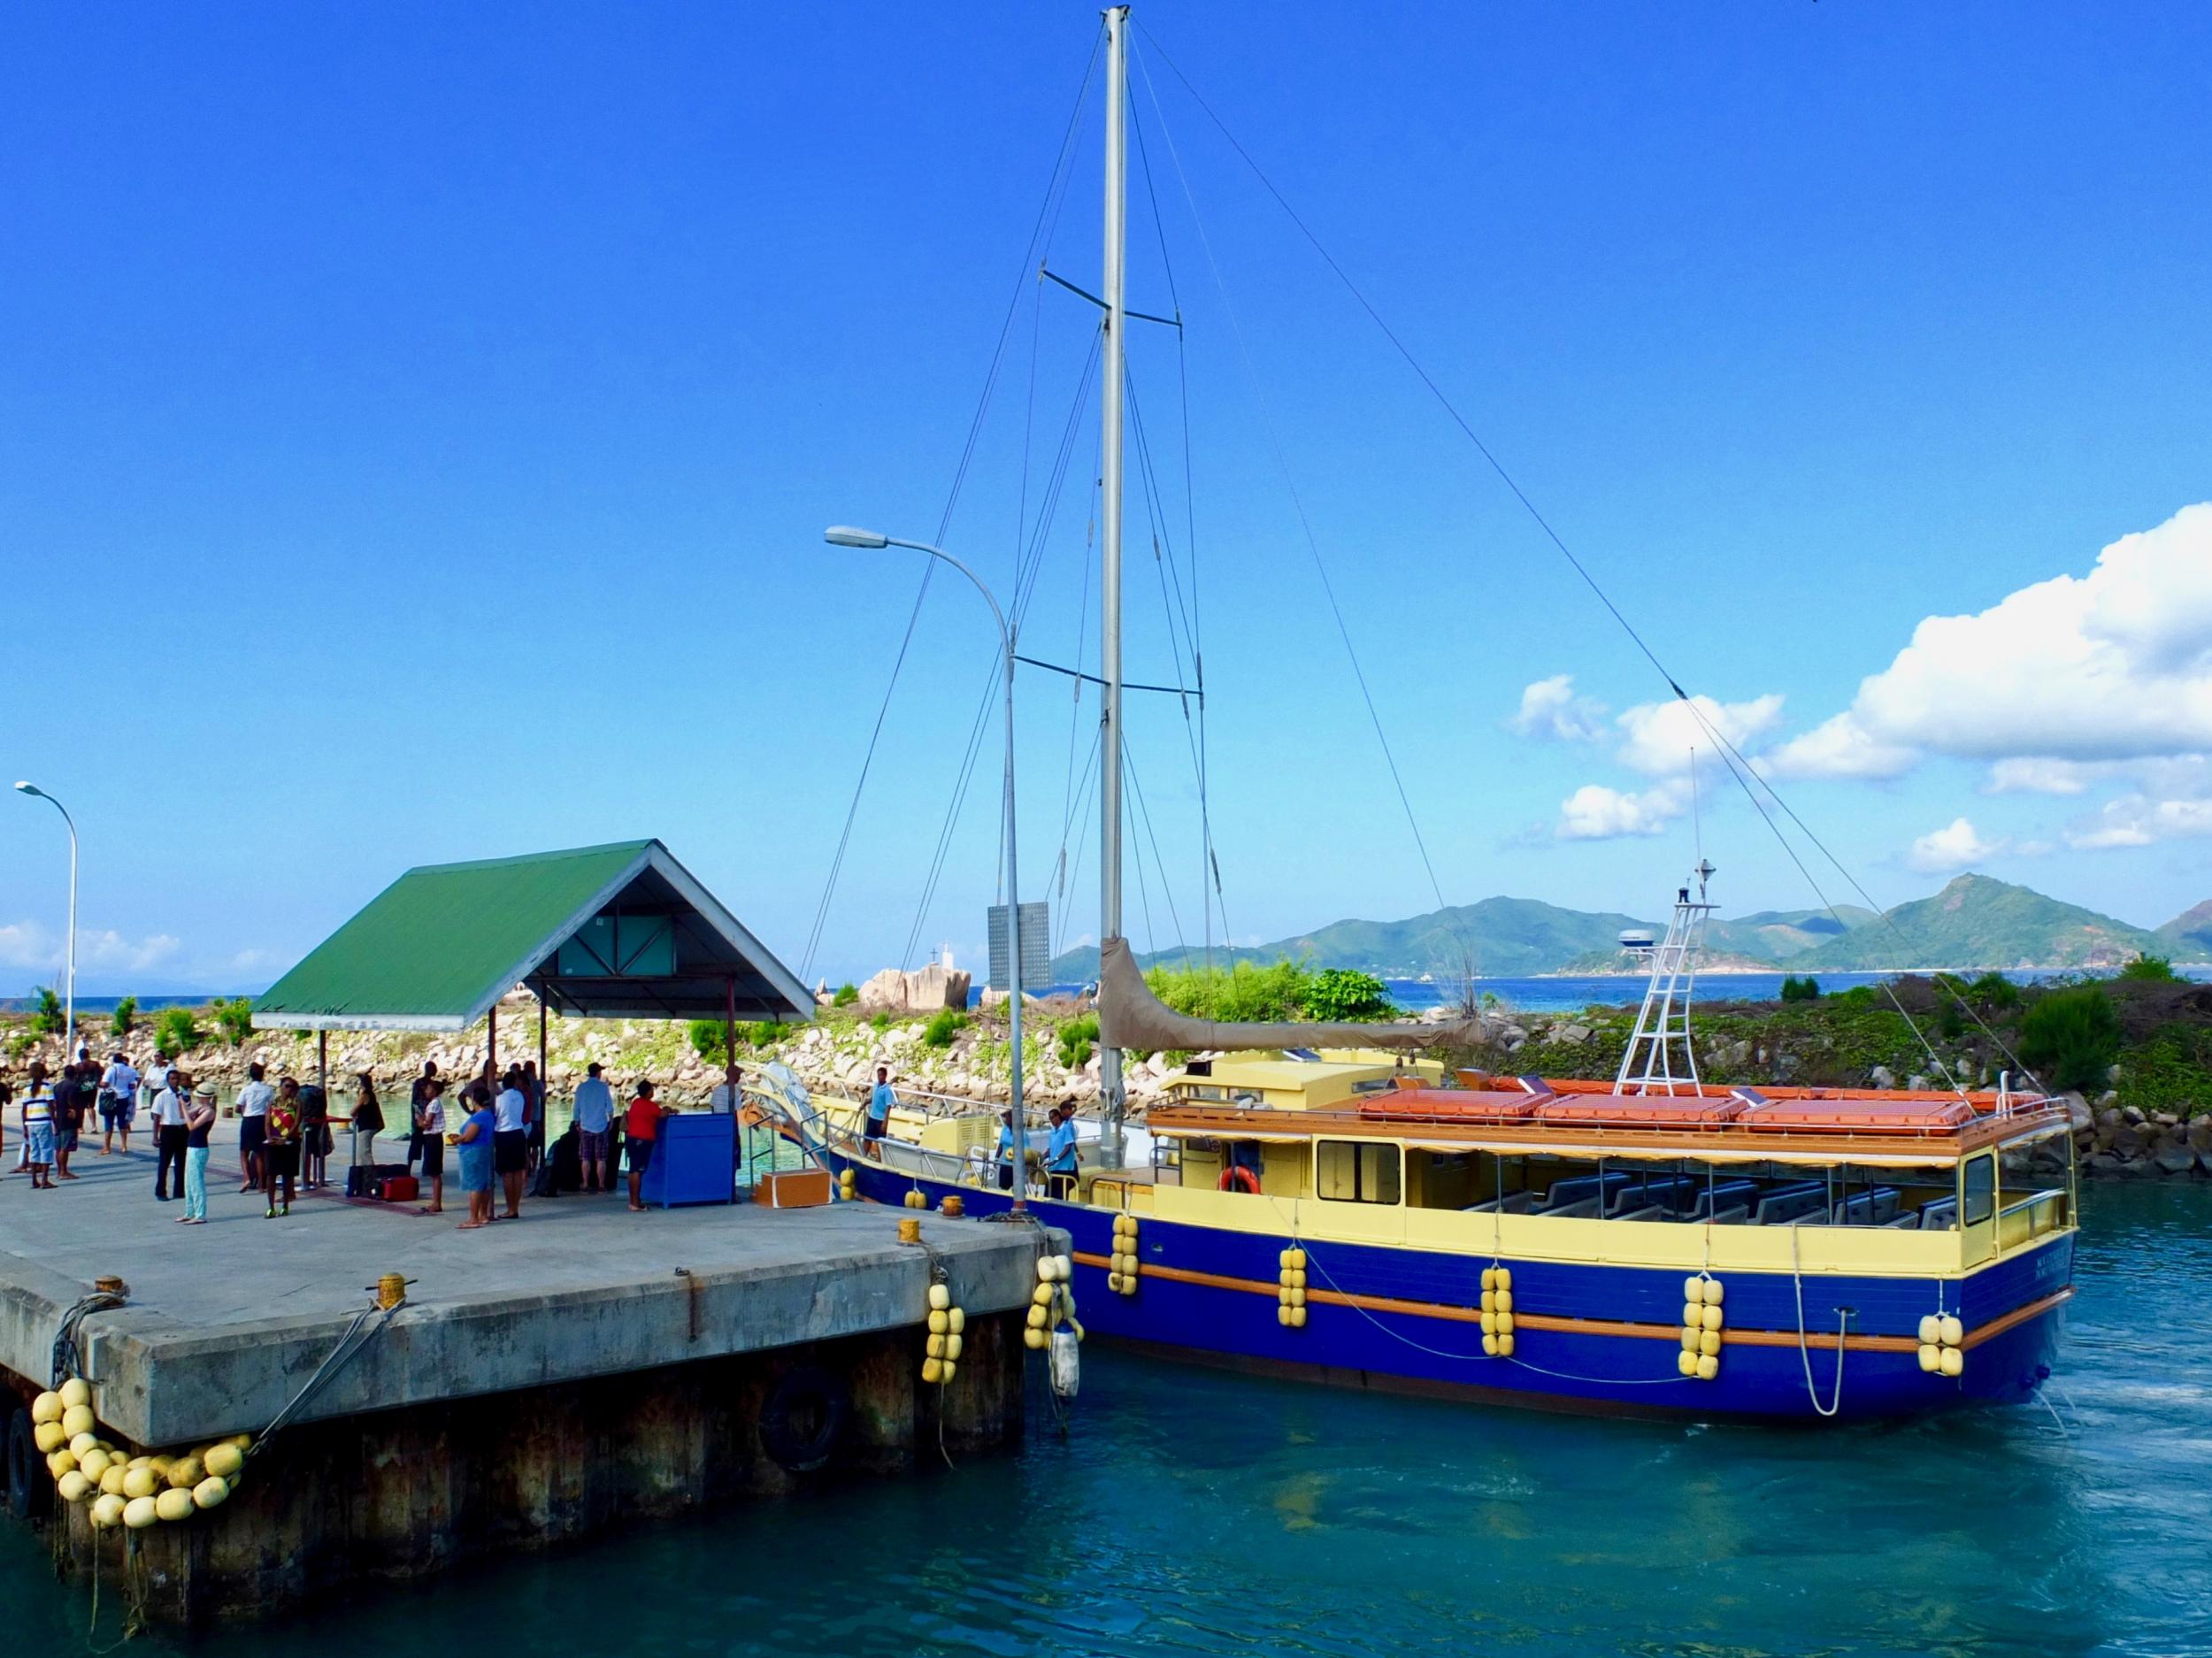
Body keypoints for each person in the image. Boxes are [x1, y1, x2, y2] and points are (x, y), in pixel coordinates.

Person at [455, 1081, 496, 1230]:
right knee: (483, 1183)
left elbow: (468, 1137)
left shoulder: (479, 1117)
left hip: (473, 1152)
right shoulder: (489, 1115)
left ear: (475, 1100)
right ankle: (483, 1215)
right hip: (483, 1150)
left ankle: (473, 1218)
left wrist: (457, 1139)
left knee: (475, 1185)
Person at [494, 1065, 530, 1220]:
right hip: (518, 1133)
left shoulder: (500, 1099)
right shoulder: (520, 1096)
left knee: (507, 1175)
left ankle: (510, 1208)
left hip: (504, 1134)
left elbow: (495, 1115)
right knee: (516, 1173)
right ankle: (515, 1207)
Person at [572, 1062, 614, 1194]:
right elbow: (610, 1107)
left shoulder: (581, 1088)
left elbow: (576, 1107)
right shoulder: (603, 1087)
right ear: (598, 1073)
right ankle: (601, 1185)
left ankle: (585, 1183)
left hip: (585, 1126)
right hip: (601, 1126)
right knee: (600, 1158)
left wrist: (576, 1122)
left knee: (585, 1157)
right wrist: (611, 1120)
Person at [264, 1077, 303, 1217]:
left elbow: (297, 1122)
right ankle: (271, 1207)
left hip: (289, 1143)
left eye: (292, 1087)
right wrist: (269, 1138)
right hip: (273, 1142)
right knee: (271, 1174)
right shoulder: (272, 1103)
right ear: (281, 1087)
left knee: (287, 1175)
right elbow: (267, 1120)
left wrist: (285, 1138)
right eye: (287, 1086)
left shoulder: (297, 1104)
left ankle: (285, 1204)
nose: (289, 1089)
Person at [625, 1080, 666, 1212]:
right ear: (648, 1092)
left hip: (631, 1138)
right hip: (642, 1141)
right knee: (638, 1170)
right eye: (652, 1090)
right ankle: (636, 1202)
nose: (653, 1092)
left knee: (633, 1170)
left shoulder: (635, 1103)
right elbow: (662, 1115)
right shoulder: (649, 1105)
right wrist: (668, 1109)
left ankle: (633, 1200)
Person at [179, 1082, 217, 1224]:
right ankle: (190, 1211)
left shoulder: (209, 1111)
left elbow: (191, 1126)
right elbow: (184, 1116)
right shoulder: (201, 1108)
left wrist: (184, 1107)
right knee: (188, 1181)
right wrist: (184, 1105)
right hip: (192, 1146)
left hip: (199, 1148)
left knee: (196, 1182)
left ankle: (200, 1214)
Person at [151, 1067, 190, 1201]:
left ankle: (179, 1190)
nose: (175, 1081)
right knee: (165, 1162)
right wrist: (155, 1136)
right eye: (172, 1079)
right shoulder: (161, 1096)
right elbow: (156, 1117)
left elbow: (189, 1111)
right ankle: (161, 1191)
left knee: (181, 1161)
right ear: (168, 1081)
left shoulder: (183, 1094)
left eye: (177, 1079)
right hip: (168, 1129)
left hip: (182, 1128)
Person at [235, 1062, 273, 1193]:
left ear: (250, 1075)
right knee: (259, 1154)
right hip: (261, 1121)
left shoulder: (246, 1090)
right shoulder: (268, 1090)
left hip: (248, 1120)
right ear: (262, 1075)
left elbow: (237, 1107)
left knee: (244, 1152)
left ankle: (246, 1178)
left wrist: (244, 1112)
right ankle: (261, 1185)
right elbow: (270, 1107)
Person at [414, 1075, 448, 1215]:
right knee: (434, 1172)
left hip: (433, 1137)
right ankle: (435, 1201)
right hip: (433, 1138)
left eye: (428, 1089)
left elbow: (428, 1124)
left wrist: (419, 1120)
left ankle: (436, 1202)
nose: (426, 1091)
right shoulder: (434, 1103)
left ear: (433, 1091)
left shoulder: (434, 1103)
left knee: (435, 1172)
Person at [99, 1051, 139, 1155]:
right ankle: (124, 1145)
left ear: (114, 1060)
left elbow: (105, 1083)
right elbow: (132, 1085)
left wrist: (98, 1083)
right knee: (122, 1122)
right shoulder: (130, 1070)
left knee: (108, 1122)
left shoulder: (111, 1069)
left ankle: (107, 1147)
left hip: (112, 1097)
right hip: (124, 1097)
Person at [49, 1063, 84, 1180]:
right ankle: (64, 1171)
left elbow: (53, 1103)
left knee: (58, 1147)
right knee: (65, 1147)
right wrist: (75, 1111)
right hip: (68, 1118)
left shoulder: (57, 1086)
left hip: (58, 1118)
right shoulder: (73, 1086)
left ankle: (60, 1171)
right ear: (75, 1075)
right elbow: (72, 1101)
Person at [21, 1072, 56, 1189]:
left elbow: (24, 1109)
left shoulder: (26, 1089)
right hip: (44, 1122)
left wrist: (25, 1126)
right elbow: (51, 1106)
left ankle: (34, 1180)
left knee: (34, 1150)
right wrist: (55, 1122)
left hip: (30, 1123)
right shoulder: (47, 1087)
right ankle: (44, 1180)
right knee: (46, 1149)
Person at [298, 1079, 331, 1189]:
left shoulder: (301, 1094)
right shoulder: (319, 1094)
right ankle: (313, 1179)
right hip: (318, 1126)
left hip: (306, 1126)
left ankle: (306, 1180)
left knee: (306, 1153)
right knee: (315, 1152)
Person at [407, 1061, 439, 1173]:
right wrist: (418, 1117)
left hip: (425, 1116)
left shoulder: (431, 1084)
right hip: (420, 1117)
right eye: (434, 1069)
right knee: (417, 1144)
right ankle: (409, 1167)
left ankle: (425, 1168)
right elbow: (415, 1101)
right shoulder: (421, 1083)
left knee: (424, 1145)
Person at [1045, 1103, 1080, 1199]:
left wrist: (1056, 1159)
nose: (1051, 1120)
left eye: (1053, 1118)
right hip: (1053, 1169)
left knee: (1061, 1195)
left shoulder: (1066, 1127)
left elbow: (1068, 1146)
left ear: (1057, 1117)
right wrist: (1040, 1157)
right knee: (1049, 1194)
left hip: (1063, 1168)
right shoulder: (1052, 1131)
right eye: (1050, 1119)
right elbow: (1050, 1149)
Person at [350, 1071, 385, 1169]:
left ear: (361, 1084)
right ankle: (365, 1173)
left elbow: (352, 1111)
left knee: (364, 1152)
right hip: (372, 1125)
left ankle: (369, 1174)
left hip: (366, 1126)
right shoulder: (372, 1094)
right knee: (364, 1152)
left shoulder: (364, 1095)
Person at [865, 1066, 895, 1155]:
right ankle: (864, 1155)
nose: (880, 1077)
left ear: (885, 1076)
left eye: (881, 1075)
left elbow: (888, 1106)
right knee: (867, 1138)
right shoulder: (875, 1086)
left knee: (880, 1142)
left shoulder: (887, 1090)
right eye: (878, 1075)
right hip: (872, 1117)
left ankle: (880, 1159)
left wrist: (885, 1122)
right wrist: (866, 1102)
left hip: (880, 1119)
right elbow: (874, 1098)